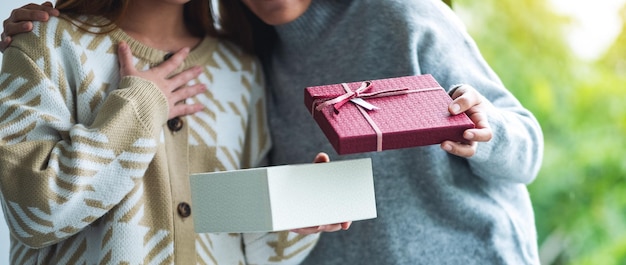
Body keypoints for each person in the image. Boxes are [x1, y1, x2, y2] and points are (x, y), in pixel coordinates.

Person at [1, 0, 545, 264]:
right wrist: (139, 103)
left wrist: (483, 129)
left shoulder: (399, 18)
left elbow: (218, 224)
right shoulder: (251, 59)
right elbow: (35, 213)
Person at [0, 0, 349, 264]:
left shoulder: (240, 69)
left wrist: (295, 217)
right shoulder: (48, 45)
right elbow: (32, 215)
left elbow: (244, 245)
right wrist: (140, 105)